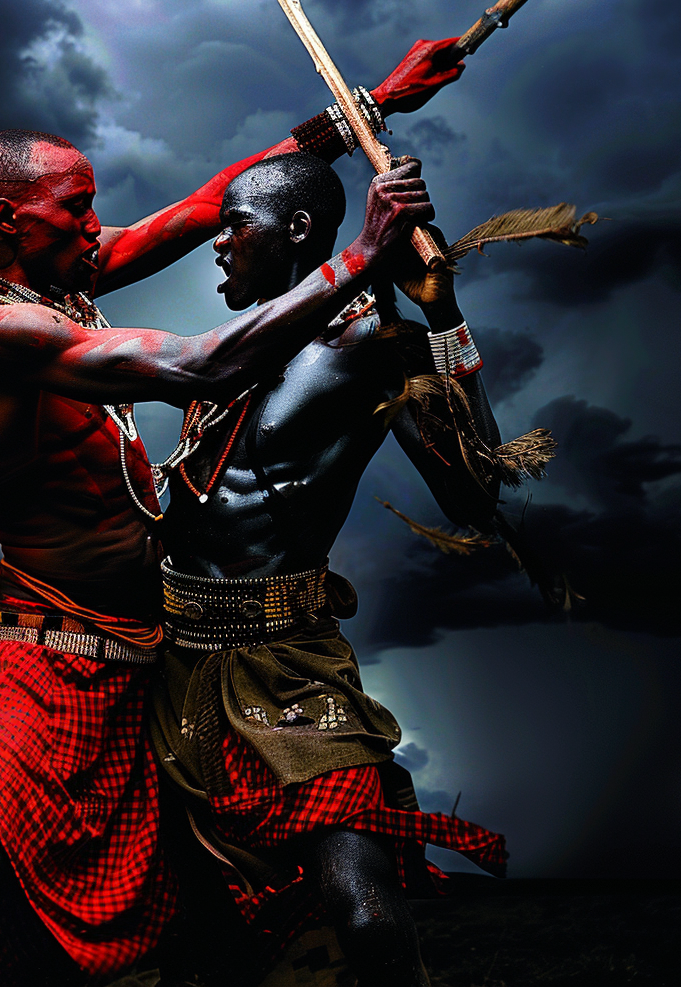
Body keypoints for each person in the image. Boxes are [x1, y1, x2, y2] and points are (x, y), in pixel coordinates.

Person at [0, 58, 450, 982]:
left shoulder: (57, 278)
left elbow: (203, 205)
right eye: (76, 207)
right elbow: (197, 365)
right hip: (45, 659)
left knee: (186, 918)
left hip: (143, 661)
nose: (95, 226)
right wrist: (361, 259)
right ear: (9, 219)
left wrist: (370, 107)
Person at [150, 153, 512, 987]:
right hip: (173, 665)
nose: (220, 248)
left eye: (236, 228)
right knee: (193, 921)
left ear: (300, 232)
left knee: (364, 908)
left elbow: (478, 492)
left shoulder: (376, 347)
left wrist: (443, 308)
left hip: (289, 667)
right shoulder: (230, 351)